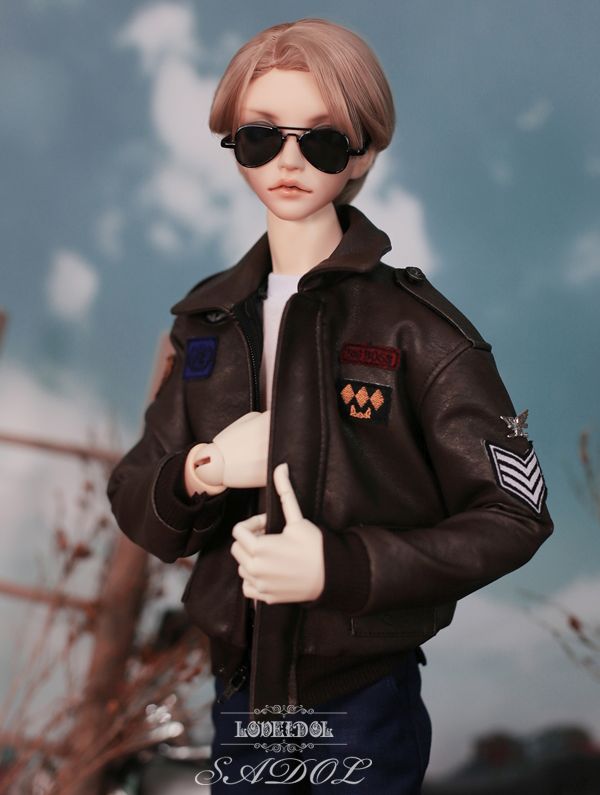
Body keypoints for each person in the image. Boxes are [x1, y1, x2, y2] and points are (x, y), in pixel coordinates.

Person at [107, 18, 553, 793]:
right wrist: (203, 469)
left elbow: (516, 512)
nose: (288, 161)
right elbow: (134, 493)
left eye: (321, 140)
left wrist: (338, 565)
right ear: (232, 143)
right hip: (241, 695)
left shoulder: (418, 329)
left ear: (364, 152)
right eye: (260, 136)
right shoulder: (208, 322)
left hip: (362, 694)